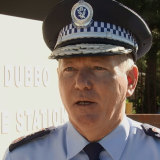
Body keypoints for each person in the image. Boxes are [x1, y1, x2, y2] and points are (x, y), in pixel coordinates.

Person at [3, 0, 160, 160]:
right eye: (70, 69)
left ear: (131, 80)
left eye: (98, 68)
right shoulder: (25, 156)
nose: (81, 83)